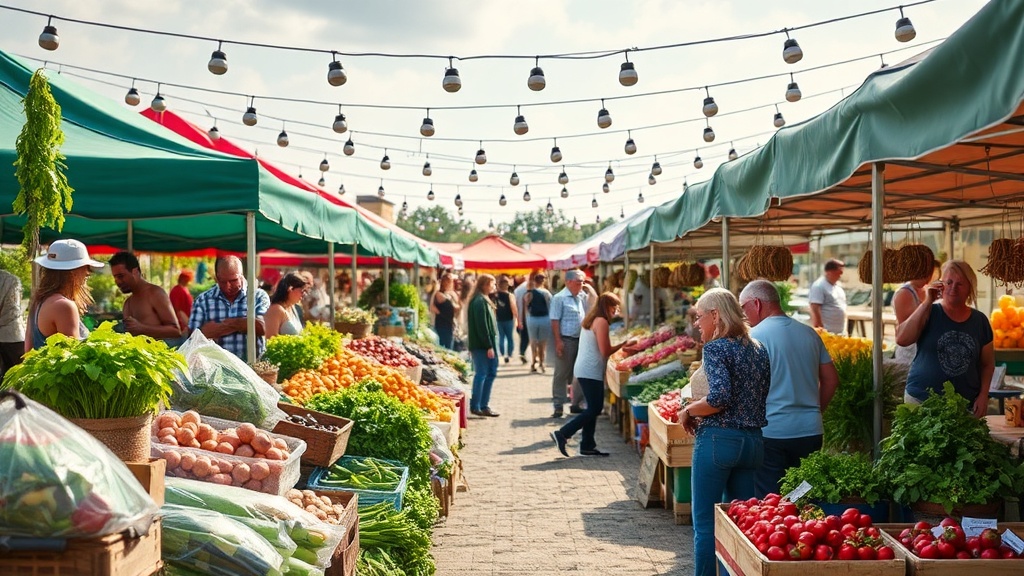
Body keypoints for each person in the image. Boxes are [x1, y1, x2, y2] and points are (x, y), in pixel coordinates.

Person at [679, 288, 771, 576]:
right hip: (753, 443)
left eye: (700, 316)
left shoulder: (716, 348)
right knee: (740, 525)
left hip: (719, 440)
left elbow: (719, 398)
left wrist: (688, 411)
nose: (697, 323)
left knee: (706, 524)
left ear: (716, 315)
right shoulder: (758, 348)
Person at [739, 279, 840, 497]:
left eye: (743, 307)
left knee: (771, 502)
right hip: (810, 430)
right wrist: (815, 410)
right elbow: (831, 379)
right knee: (802, 497)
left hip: (771, 433)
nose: (743, 315)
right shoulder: (810, 333)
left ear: (756, 303)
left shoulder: (753, 338)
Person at [897, 260, 994, 417]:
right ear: (941, 285)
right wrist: (927, 301)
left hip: (964, 406)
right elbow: (902, 339)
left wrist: (984, 395)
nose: (953, 288)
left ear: (970, 288)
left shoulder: (980, 321)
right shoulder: (929, 311)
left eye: (960, 284)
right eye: (949, 282)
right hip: (920, 400)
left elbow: (987, 364)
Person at [551, 293, 632, 457]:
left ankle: (587, 445)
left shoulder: (592, 319)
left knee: (592, 407)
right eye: (614, 307)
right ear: (606, 306)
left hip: (586, 368)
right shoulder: (601, 321)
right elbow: (605, 351)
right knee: (595, 408)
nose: (615, 310)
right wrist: (624, 345)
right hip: (590, 370)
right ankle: (563, 433)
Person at [26, 239, 105, 351]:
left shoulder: (38, 302)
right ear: (74, 272)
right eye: (86, 267)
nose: (88, 273)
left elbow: (27, 353)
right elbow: (74, 357)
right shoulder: (64, 306)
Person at [188, 256, 270, 360]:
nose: (228, 286)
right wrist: (245, 324)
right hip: (215, 365)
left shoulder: (257, 296)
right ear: (216, 278)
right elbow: (192, 339)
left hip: (252, 365)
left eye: (233, 280)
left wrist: (225, 326)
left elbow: (263, 327)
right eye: (222, 281)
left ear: (241, 275)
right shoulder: (203, 300)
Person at [549, 269, 598, 418]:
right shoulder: (559, 298)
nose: (581, 285)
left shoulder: (582, 296)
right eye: (579, 282)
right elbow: (555, 320)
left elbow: (595, 303)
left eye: (583, 282)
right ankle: (558, 405)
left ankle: (576, 403)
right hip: (566, 339)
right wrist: (558, 341)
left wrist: (591, 289)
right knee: (562, 373)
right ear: (568, 282)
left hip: (581, 339)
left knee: (580, 372)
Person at [108, 252, 183, 341]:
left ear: (135, 272)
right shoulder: (127, 303)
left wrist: (142, 329)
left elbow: (175, 331)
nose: (118, 281)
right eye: (115, 277)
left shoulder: (155, 293)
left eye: (121, 276)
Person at [892, 257, 939, 364]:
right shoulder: (904, 293)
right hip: (909, 355)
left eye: (930, 273)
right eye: (925, 273)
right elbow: (905, 330)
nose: (928, 277)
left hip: (924, 353)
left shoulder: (925, 290)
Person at [467, 274, 499, 417]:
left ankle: (483, 405)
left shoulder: (482, 299)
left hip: (484, 344)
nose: (494, 286)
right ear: (485, 284)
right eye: (492, 284)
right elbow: (482, 326)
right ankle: (477, 406)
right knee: (482, 374)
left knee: (489, 373)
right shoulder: (479, 301)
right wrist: (488, 346)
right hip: (482, 346)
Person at [808, 258, 848, 334]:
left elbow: (843, 307)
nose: (841, 273)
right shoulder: (819, 286)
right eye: (839, 270)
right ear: (830, 272)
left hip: (840, 333)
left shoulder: (838, 287)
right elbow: (814, 308)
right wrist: (820, 328)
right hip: (826, 333)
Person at [523, 273, 553, 374]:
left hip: (532, 318)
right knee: (542, 342)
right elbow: (550, 306)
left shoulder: (529, 293)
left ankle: (533, 361)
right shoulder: (546, 293)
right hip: (544, 318)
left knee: (533, 341)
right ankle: (541, 362)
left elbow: (526, 306)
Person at [264, 272, 307, 338]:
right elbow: (269, 339)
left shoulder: (293, 308)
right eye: (302, 291)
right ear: (290, 289)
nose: (304, 294)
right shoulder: (276, 310)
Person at [0, 269, 25, 378]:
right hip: (12, 336)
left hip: (11, 335)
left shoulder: (10, 280)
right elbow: (12, 312)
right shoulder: (11, 280)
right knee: (17, 376)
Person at [491, 276, 518, 364]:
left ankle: (502, 354)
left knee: (501, 337)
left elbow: (493, 307)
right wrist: (516, 317)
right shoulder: (510, 295)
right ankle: (509, 354)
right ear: (507, 285)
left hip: (499, 319)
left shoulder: (495, 295)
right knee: (510, 337)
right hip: (509, 319)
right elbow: (513, 307)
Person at [430, 272, 460, 349]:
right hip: (442, 326)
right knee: (444, 348)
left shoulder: (449, 294)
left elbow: (457, 307)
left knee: (448, 348)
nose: (452, 284)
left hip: (449, 325)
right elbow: (453, 306)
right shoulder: (439, 294)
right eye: (451, 282)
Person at [513, 273, 531, 364]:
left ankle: (522, 352)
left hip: (521, 317)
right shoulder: (534, 288)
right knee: (528, 337)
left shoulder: (517, 290)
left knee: (524, 336)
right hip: (531, 316)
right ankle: (524, 353)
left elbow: (515, 305)